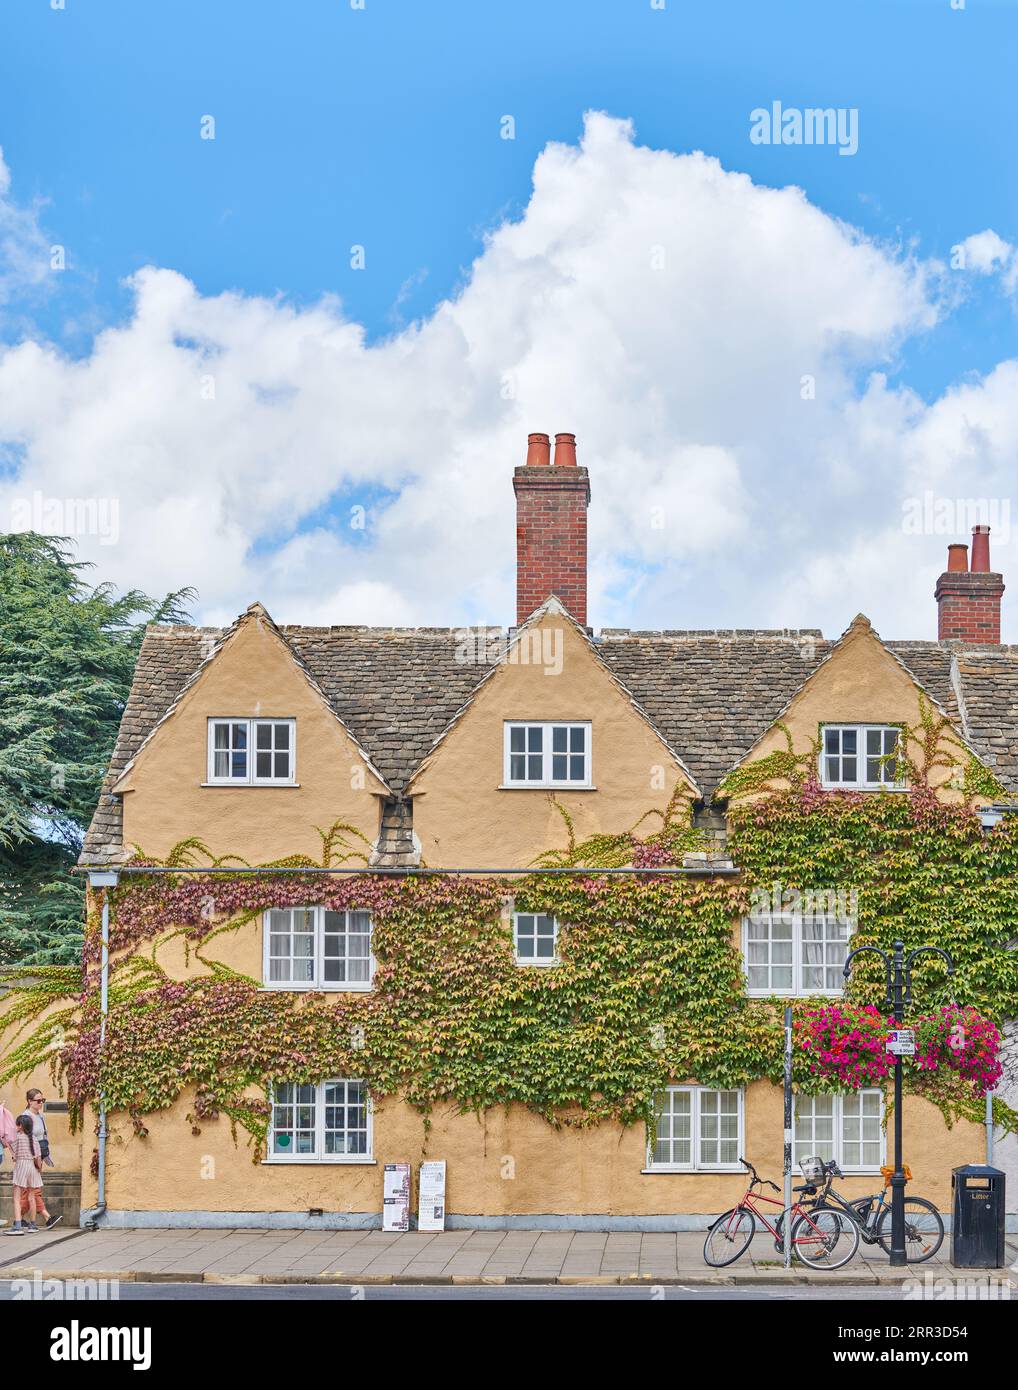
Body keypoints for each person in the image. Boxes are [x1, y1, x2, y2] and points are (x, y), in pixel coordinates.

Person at [3, 1113, 57, 1235]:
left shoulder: (17, 1137)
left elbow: (9, 1146)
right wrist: (39, 1168)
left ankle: (17, 1226)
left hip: (21, 1166)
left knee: (17, 1198)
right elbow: (37, 1157)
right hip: (33, 1168)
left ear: (20, 1126)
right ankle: (33, 1225)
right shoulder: (34, 1139)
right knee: (32, 1197)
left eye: (17, 1125)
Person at [15, 1090, 61, 1232]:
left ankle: (20, 1219)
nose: (41, 1103)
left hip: (39, 1154)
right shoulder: (26, 1116)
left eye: (43, 1100)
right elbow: (23, 1138)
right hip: (31, 1157)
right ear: (29, 1101)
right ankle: (46, 1218)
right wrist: (36, 1159)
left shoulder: (40, 1115)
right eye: (38, 1100)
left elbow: (43, 1135)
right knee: (33, 1190)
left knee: (29, 1191)